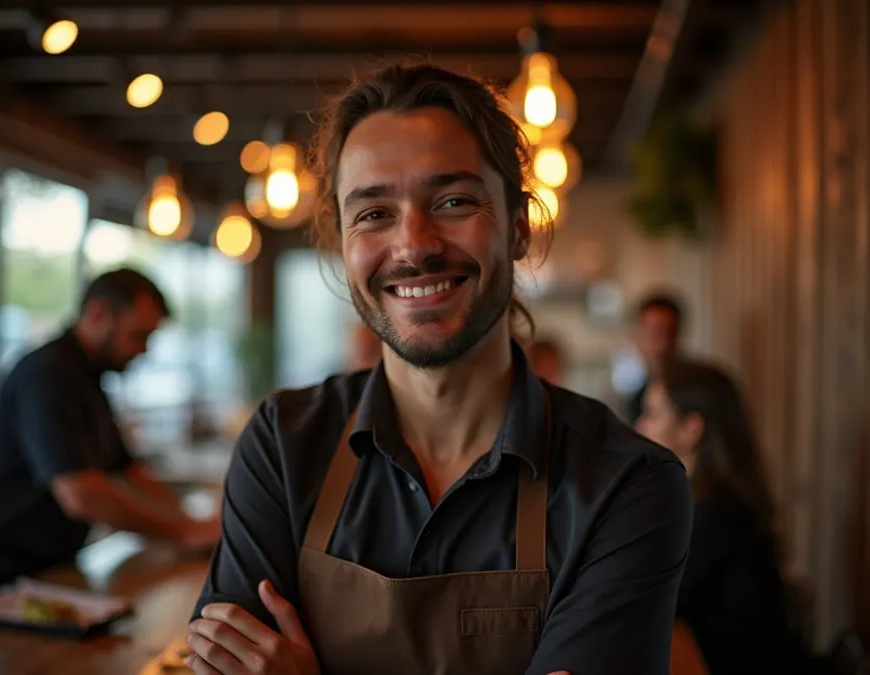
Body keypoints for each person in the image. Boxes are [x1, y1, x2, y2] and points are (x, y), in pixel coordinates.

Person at [187, 63, 692, 675]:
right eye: (373, 213)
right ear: (343, 244)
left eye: (453, 201)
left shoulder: (626, 484)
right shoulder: (283, 444)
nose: (414, 245)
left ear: (518, 229)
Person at [0, 267, 220, 600]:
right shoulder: (48, 374)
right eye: (138, 335)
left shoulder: (87, 379)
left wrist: (193, 523)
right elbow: (81, 495)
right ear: (98, 313)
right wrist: (186, 533)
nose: (144, 350)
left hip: (47, 571)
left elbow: (129, 472)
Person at [635, 362, 817, 675]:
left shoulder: (718, 513)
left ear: (692, 429)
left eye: (652, 414)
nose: (640, 427)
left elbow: (648, 604)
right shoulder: (709, 501)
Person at [626, 292, 687, 423]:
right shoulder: (635, 401)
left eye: (670, 333)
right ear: (637, 337)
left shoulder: (705, 389)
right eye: (655, 334)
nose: (663, 345)